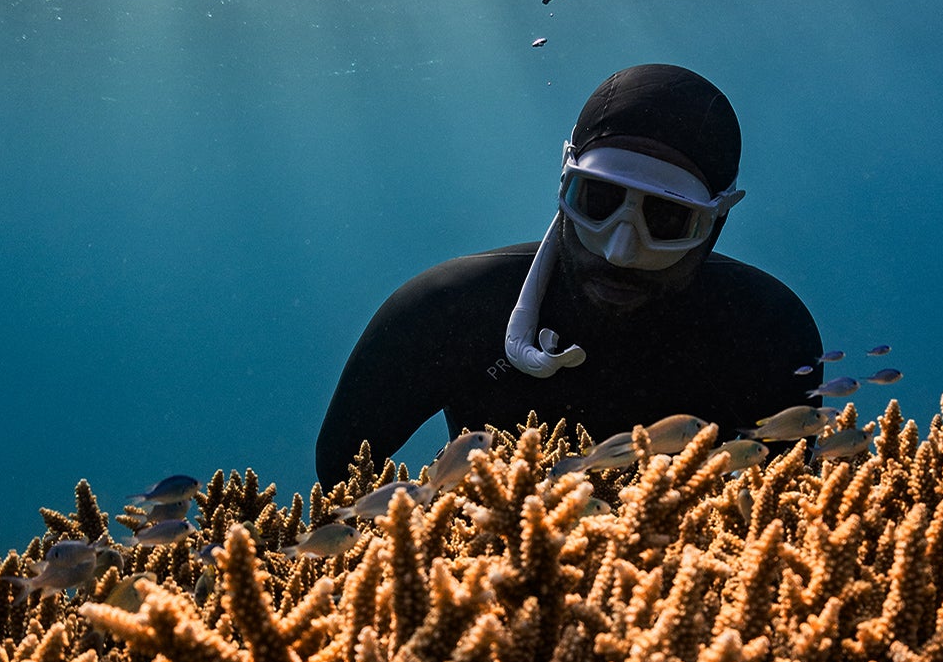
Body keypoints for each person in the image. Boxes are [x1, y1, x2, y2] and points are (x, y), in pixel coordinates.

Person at [316, 63, 822, 485]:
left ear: (716, 223)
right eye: (597, 201)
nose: (620, 251)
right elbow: (342, 484)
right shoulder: (445, 310)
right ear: (564, 185)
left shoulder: (770, 332)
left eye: (667, 220)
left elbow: (787, 490)